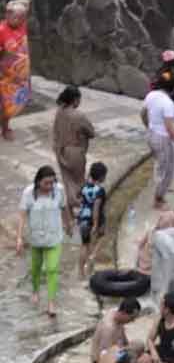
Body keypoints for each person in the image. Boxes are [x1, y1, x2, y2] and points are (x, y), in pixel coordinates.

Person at [16, 166, 70, 316]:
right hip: (36, 238)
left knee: (52, 269)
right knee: (36, 268)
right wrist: (19, 237)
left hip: (54, 237)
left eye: (52, 183)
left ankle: (51, 303)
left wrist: (68, 224)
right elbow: (22, 215)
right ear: (38, 182)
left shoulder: (58, 190)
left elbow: (64, 207)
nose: (49, 186)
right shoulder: (28, 193)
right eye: (46, 183)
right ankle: (35, 291)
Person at [141, 67, 174, 210]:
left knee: (161, 164)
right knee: (168, 170)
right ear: (173, 88)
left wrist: (148, 126)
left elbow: (143, 112)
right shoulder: (168, 103)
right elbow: (170, 129)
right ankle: (158, 200)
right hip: (163, 139)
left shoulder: (151, 95)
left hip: (151, 134)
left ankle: (160, 190)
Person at [52, 85, 95, 225]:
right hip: (75, 151)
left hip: (60, 150)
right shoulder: (78, 116)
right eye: (79, 99)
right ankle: (82, 211)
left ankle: (70, 214)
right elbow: (91, 132)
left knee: (68, 182)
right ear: (75, 99)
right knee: (79, 182)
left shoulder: (59, 112)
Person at [0, 0, 31, 140]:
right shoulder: (1, 30)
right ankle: (5, 129)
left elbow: (27, 2)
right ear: (7, 15)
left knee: (13, 104)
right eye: (16, 17)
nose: (20, 20)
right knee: (4, 104)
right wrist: (11, 75)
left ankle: (6, 126)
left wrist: (12, 5)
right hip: (6, 75)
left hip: (21, 75)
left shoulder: (21, 25)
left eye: (22, 18)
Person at [77, 162, 108, 278]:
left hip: (83, 219)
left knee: (84, 244)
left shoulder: (85, 187)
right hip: (94, 219)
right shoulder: (100, 190)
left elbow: (80, 201)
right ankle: (92, 257)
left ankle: (81, 272)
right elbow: (96, 207)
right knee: (101, 237)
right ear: (102, 177)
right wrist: (95, 224)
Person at [91, 298, 143, 363]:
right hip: (104, 359)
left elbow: (122, 335)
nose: (133, 321)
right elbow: (104, 356)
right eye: (132, 318)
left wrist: (130, 347)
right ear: (124, 313)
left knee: (139, 345)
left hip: (116, 350)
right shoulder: (108, 328)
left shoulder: (115, 312)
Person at [135, 210, 174, 277]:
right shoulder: (167, 239)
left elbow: (140, 245)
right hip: (148, 271)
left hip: (141, 263)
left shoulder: (151, 230)